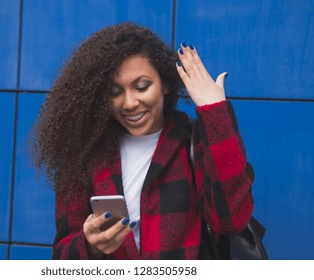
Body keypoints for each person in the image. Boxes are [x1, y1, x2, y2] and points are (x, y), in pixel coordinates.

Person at [32, 22, 254, 260]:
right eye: (115, 92)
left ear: (165, 83)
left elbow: (232, 219)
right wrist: (89, 246)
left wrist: (215, 112)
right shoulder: (86, 152)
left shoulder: (193, 141)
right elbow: (61, 256)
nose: (129, 103)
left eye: (141, 86)